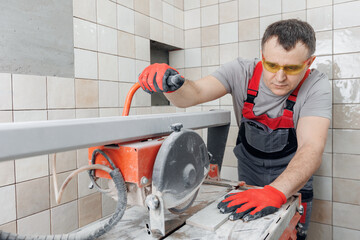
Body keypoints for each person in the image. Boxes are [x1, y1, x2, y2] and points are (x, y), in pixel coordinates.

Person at [138, 19, 331, 240]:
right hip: (249, 182)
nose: (280, 77)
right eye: (271, 65)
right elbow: (195, 93)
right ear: (262, 55)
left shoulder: (316, 85)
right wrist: (171, 84)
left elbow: (312, 146)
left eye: (292, 68)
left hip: (293, 185)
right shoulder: (241, 71)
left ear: (309, 62)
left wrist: (276, 191)